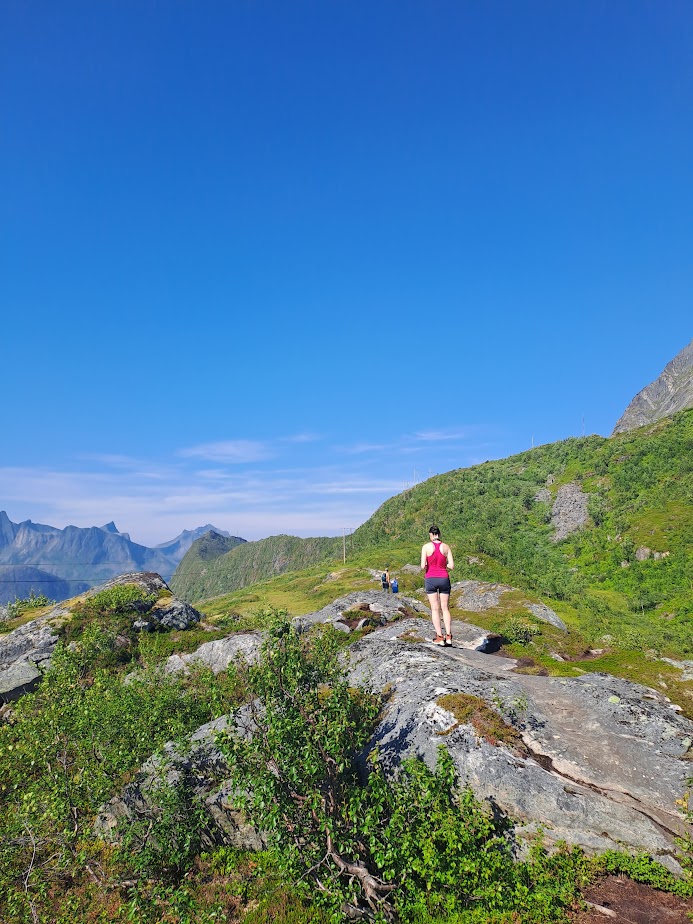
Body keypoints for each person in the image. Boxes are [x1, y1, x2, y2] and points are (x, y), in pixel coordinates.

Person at [421, 525, 454, 646]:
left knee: (435, 608)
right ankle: (449, 636)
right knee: (445, 608)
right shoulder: (446, 547)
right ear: (439, 534)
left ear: (430, 535)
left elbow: (422, 565)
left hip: (431, 579)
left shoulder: (426, 547)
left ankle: (440, 637)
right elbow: (451, 565)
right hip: (444, 578)